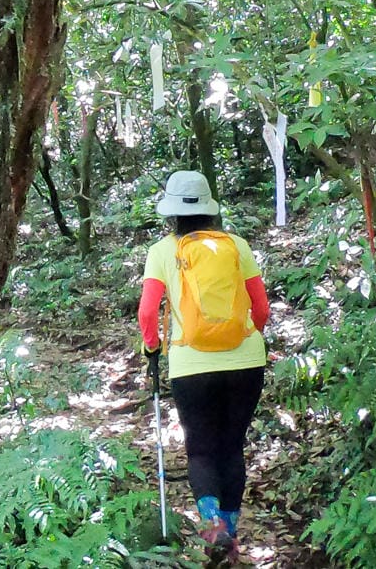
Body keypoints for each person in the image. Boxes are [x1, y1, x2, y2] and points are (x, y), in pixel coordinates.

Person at [138, 170, 270, 564]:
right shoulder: (238, 246)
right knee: (232, 446)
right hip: (247, 360)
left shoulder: (163, 251)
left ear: (172, 213)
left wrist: (152, 349)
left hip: (190, 365)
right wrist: (248, 339)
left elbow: (148, 313)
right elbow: (260, 309)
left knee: (200, 450)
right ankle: (230, 535)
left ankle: (214, 527)